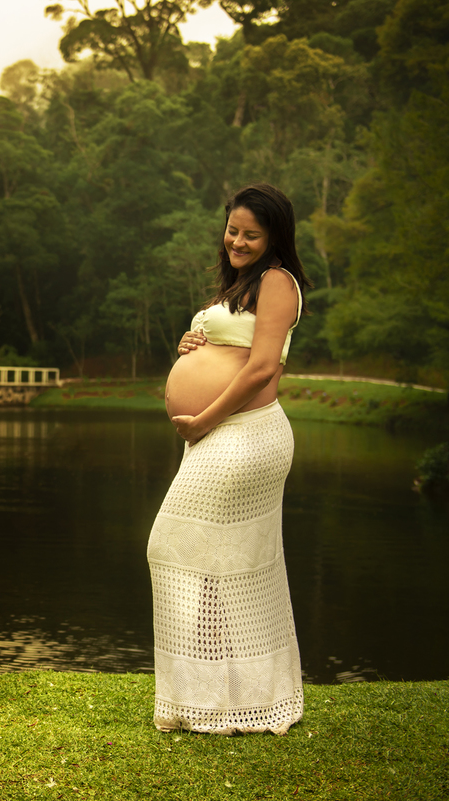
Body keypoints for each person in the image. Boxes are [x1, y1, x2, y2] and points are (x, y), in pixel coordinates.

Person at [147, 183, 312, 735]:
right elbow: (233, 347)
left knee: (179, 546)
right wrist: (195, 346)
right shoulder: (241, 285)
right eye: (233, 230)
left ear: (274, 238)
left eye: (251, 234)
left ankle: (234, 697)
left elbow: (263, 368)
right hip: (222, 432)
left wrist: (204, 419)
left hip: (246, 433)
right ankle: (219, 698)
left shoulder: (278, 282)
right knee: (216, 567)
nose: (238, 241)